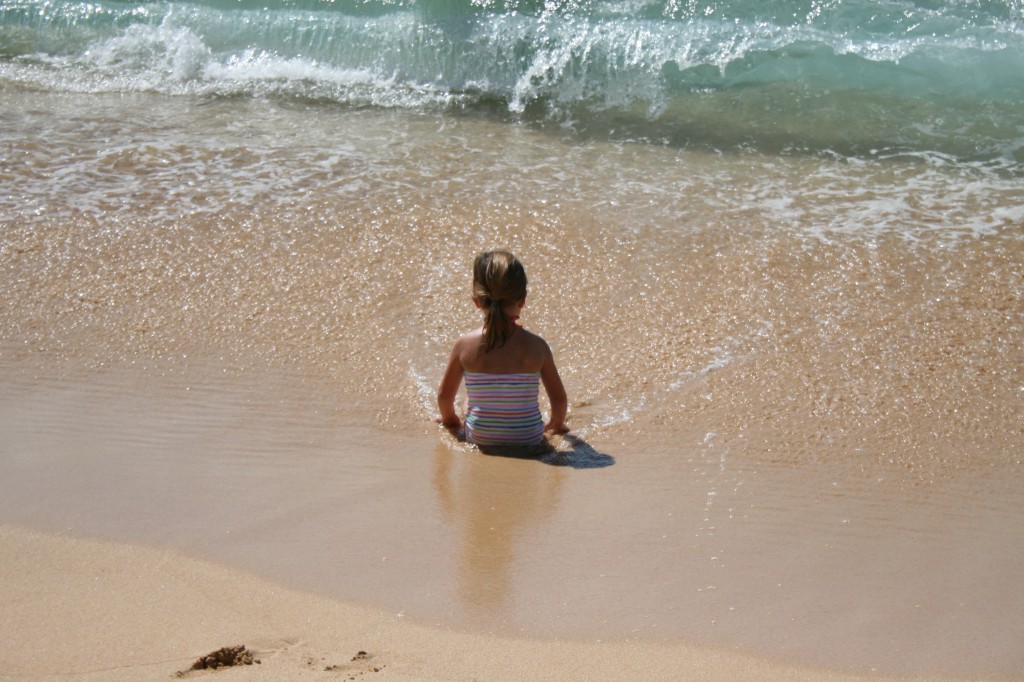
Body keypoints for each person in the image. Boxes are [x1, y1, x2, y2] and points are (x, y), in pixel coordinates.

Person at [436, 250, 568, 446]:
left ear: (476, 301)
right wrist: (556, 426)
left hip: (481, 439)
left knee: (465, 403)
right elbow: (559, 400)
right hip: (528, 438)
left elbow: (444, 398)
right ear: (522, 299)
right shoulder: (537, 346)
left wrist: (450, 420)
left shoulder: (463, 346)